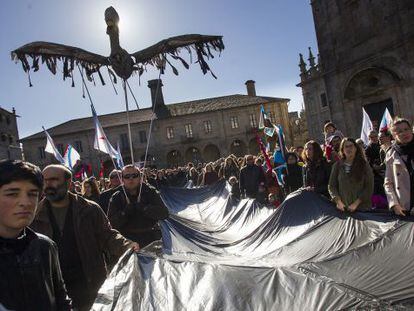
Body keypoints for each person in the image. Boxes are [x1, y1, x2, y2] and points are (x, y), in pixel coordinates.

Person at [31, 164, 138, 311]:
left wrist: (127, 246)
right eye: (44, 180)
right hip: (52, 289)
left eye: (53, 179)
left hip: (89, 284)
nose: (48, 184)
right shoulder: (33, 214)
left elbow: (108, 236)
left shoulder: (89, 209)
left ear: (68, 183)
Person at [0, 160, 72, 311]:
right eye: (12, 194)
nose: (25, 202)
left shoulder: (45, 246)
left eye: (32, 194)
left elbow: (61, 300)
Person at [108, 164, 169, 248]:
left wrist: (145, 208)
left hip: (151, 239)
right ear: (122, 179)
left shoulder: (150, 191)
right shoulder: (116, 197)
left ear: (140, 177)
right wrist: (124, 213)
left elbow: (164, 213)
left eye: (134, 175)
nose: (131, 179)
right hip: (128, 242)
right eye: (127, 176)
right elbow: (111, 223)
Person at [328, 138, 374, 212]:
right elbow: (332, 186)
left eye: (351, 146)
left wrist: (356, 203)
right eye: (346, 146)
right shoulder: (337, 166)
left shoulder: (364, 165)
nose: (349, 149)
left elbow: (369, 187)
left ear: (356, 148)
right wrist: (338, 201)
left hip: (362, 209)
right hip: (342, 209)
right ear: (342, 150)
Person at [384, 118, 414, 216]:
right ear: (394, 135)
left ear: (411, 129)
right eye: (399, 131)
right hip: (405, 206)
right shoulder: (391, 153)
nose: (404, 133)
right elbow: (388, 183)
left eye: (406, 129)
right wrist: (394, 204)